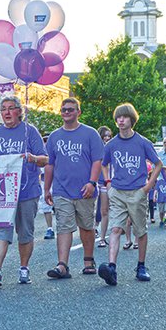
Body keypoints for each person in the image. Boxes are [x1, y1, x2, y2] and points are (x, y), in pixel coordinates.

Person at [0, 96, 48, 286]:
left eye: (11, 108)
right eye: (3, 109)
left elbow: (45, 159)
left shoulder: (30, 131)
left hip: (27, 190)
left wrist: (32, 157)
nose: (7, 112)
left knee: (25, 232)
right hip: (3, 191)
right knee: (0, 230)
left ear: (19, 111)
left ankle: (24, 268)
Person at [98, 103, 162, 286]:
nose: (120, 120)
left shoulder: (142, 142)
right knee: (116, 228)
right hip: (117, 191)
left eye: (124, 117)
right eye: (118, 117)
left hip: (137, 192)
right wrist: (108, 182)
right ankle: (111, 268)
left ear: (132, 120)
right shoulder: (112, 144)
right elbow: (104, 164)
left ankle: (141, 266)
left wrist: (148, 186)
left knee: (140, 231)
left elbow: (157, 164)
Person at [44, 97, 104, 279]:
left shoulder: (90, 133)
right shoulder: (54, 136)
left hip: (85, 189)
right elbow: (49, 164)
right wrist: (47, 189)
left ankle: (88, 260)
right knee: (63, 226)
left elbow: (97, 160)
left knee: (86, 226)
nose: (67, 112)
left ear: (79, 112)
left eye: (71, 109)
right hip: (62, 189)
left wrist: (92, 182)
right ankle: (62, 265)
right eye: (64, 110)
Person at [96, 126, 112, 248]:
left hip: (114, 181)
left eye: (109, 136)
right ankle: (100, 237)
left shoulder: (113, 147)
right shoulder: (98, 148)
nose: (107, 138)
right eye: (105, 135)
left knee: (112, 210)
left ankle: (104, 236)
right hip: (101, 182)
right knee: (103, 210)